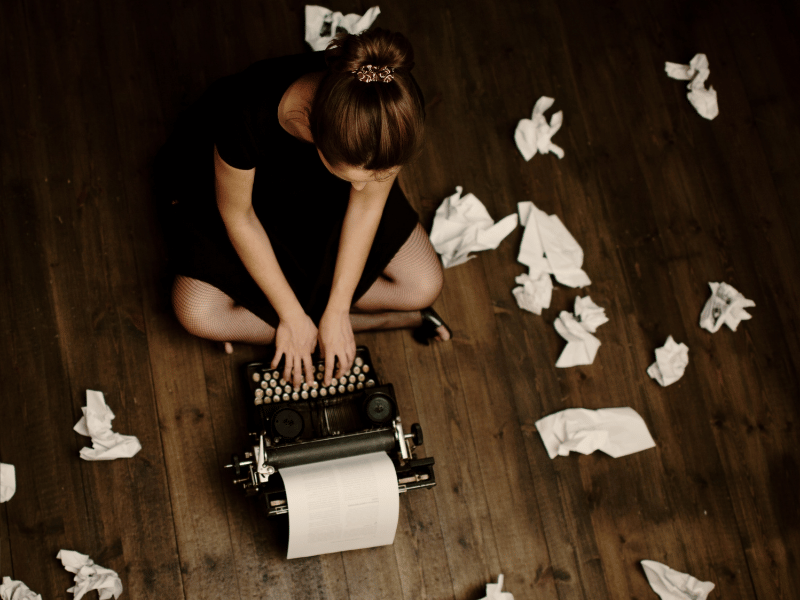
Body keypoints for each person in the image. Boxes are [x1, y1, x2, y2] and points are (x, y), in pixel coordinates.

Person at [155, 28, 451, 389]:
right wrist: (291, 315)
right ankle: (385, 321)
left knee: (423, 285)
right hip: (246, 200)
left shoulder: (392, 102)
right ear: (315, 132)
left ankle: (304, 324)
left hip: (322, 198)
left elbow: (366, 206)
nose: (361, 188)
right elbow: (239, 217)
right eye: (355, 177)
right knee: (196, 313)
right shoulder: (246, 114)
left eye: (379, 175)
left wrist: (339, 308)